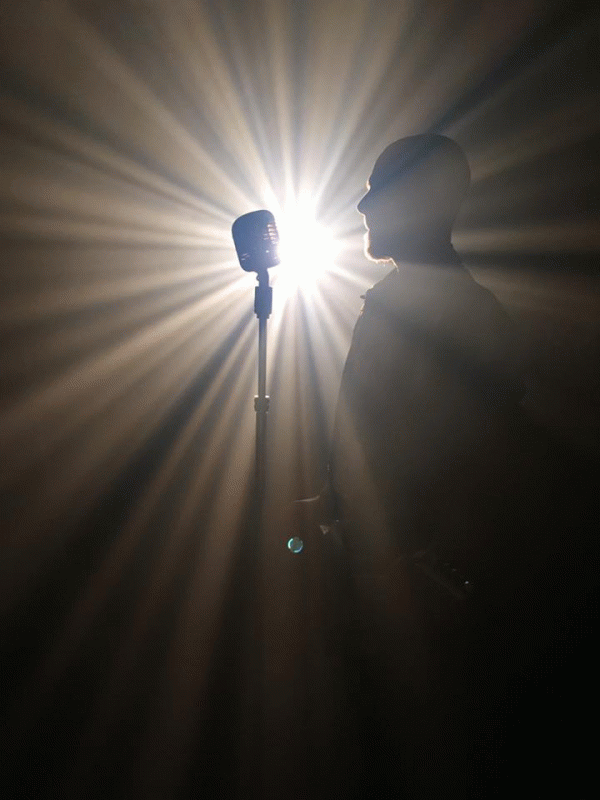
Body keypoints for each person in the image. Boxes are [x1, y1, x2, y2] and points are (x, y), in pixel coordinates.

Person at [307, 134, 528, 797]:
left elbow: (471, 474)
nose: (363, 208)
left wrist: (416, 574)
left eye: (379, 193)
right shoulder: (423, 308)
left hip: (415, 616)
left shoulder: (456, 318)